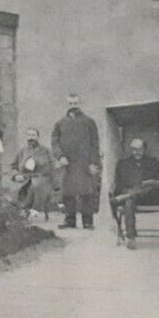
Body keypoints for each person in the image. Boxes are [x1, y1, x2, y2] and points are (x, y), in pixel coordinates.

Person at [51, 93, 102, 229]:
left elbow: (95, 143)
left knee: (87, 191)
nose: (73, 106)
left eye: (75, 103)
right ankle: (70, 220)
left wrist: (93, 163)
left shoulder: (89, 122)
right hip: (67, 163)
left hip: (84, 163)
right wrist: (60, 156)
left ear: (79, 104)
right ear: (67, 104)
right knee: (68, 192)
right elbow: (54, 142)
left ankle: (88, 221)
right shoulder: (60, 123)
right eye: (70, 104)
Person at [110, 138, 159, 250]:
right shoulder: (123, 164)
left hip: (150, 197)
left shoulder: (153, 162)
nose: (136, 152)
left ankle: (130, 194)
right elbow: (119, 184)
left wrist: (149, 184)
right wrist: (131, 190)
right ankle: (131, 238)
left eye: (139, 149)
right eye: (133, 149)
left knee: (145, 189)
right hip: (130, 197)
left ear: (144, 149)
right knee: (129, 201)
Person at [10, 128, 56, 219]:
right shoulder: (23, 151)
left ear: (38, 137)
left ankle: (27, 211)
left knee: (34, 187)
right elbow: (14, 166)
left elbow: (51, 166)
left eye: (33, 135)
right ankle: (19, 210)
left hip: (42, 178)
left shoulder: (45, 150)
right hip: (24, 178)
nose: (31, 138)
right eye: (29, 135)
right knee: (15, 189)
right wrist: (16, 175)